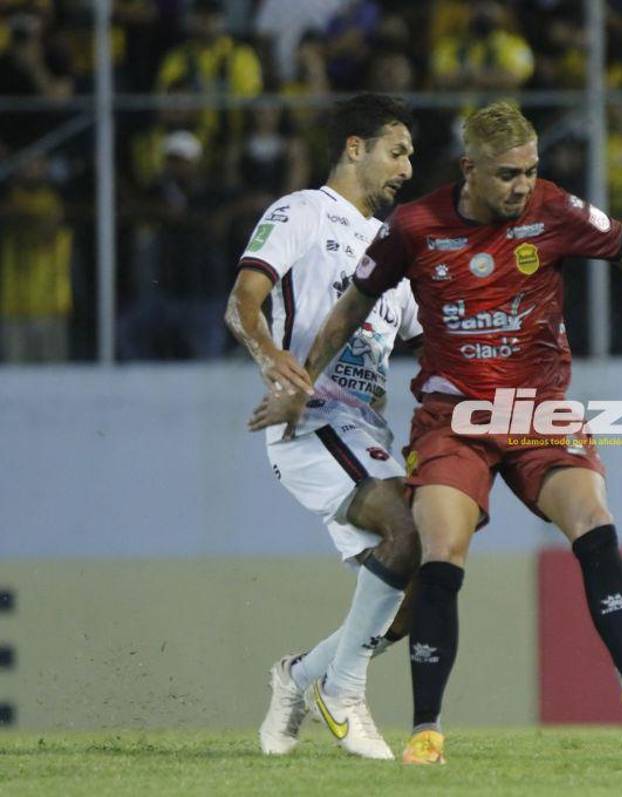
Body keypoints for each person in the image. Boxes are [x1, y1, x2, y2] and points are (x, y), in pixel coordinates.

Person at [264, 101, 622, 765]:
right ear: (469, 169)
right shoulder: (414, 226)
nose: (521, 187)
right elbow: (351, 306)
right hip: (454, 419)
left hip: (536, 413)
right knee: (438, 550)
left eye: (529, 172)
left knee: (593, 518)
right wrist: (300, 383)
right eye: (506, 175)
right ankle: (426, 731)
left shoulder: (555, 210)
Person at [226, 93, 423, 760]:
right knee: (405, 530)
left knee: (414, 596)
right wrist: (279, 368)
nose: (406, 167)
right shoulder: (302, 212)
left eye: (412, 156)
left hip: (366, 433)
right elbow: (243, 302)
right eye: (397, 151)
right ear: (354, 146)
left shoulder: (393, 252)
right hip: (311, 423)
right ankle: (342, 695)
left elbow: (434, 336)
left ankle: (302, 674)